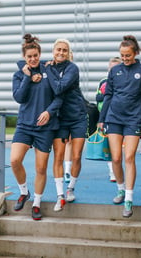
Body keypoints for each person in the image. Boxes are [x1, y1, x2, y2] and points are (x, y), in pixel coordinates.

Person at [98, 35, 141, 218]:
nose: (124, 58)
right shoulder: (115, 71)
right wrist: (102, 119)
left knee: (129, 157)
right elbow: (108, 96)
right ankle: (121, 189)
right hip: (114, 118)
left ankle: (129, 199)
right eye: (122, 55)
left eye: (128, 55)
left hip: (134, 119)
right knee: (116, 158)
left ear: (135, 53)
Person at [10, 33, 63, 220]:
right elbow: (19, 97)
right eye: (29, 56)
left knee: (41, 168)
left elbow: (59, 96)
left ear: (40, 54)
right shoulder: (19, 74)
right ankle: (24, 192)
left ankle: (37, 203)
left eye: (35, 55)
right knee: (15, 161)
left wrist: (49, 112)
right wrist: (26, 77)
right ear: (24, 58)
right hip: (25, 125)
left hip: (46, 128)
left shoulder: (50, 70)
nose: (33, 59)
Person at [45, 38, 88, 212]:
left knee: (76, 156)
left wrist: (47, 69)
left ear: (68, 53)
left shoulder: (72, 68)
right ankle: (60, 195)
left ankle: (71, 188)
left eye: (64, 50)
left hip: (77, 116)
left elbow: (59, 88)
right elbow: (23, 62)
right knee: (58, 157)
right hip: (59, 119)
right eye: (58, 50)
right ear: (53, 51)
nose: (61, 53)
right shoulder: (47, 65)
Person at [96, 56, 122, 182]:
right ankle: (112, 171)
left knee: (122, 150)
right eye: (110, 68)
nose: (112, 70)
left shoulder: (124, 81)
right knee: (110, 146)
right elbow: (98, 97)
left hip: (122, 118)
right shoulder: (103, 82)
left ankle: (120, 172)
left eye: (115, 68)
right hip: (107, 116)